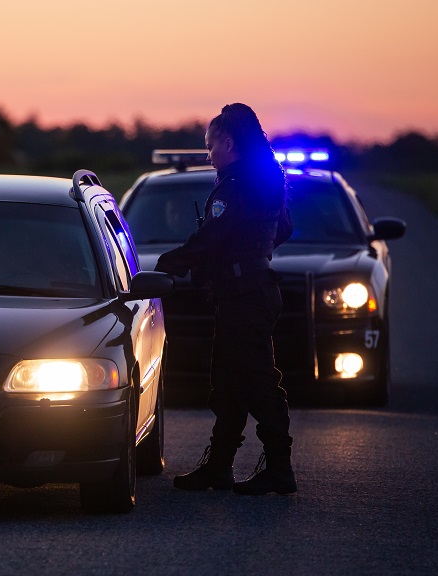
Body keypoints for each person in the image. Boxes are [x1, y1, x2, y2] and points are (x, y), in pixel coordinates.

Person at [154, 103, 296, 495]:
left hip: (244, 295)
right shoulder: (263, 182)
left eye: (211, 145)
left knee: (257, 382)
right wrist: (252, 250)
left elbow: (211, 237)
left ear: (229, 144)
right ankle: (218, 466)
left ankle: (280, 470)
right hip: (251, 291)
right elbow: (283, 228)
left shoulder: (236, 186)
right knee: (230, 383)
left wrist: (171, 263)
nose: (209, 154)